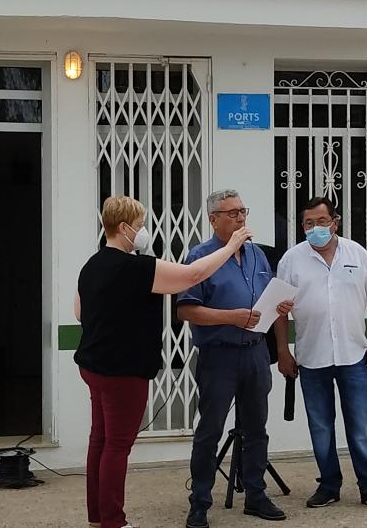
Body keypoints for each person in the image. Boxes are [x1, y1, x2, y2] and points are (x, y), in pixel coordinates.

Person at [74, 196, 253, 528]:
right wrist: (233, 246)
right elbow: (192, 275)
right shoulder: (136, 268)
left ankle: (98, 516)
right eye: (140, 226)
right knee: (117, 446)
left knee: (99, 440)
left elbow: (79, 312)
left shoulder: (92, 264)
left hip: (93, 366)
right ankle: (113, 520)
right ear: (124, 228)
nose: (143, 232)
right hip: (122, 371)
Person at [178, 189, 291, 528]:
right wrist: (231, 317)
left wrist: (280, 306)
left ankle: (255, 494)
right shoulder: (199, 256)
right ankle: (199, 502)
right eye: (231, 213)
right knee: (210, 430)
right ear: (213, 220)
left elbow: (266, 299)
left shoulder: (257, 255)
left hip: (255, 353)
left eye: (243, 211)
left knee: (256, 428)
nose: (240, 218)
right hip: (219, 356)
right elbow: (186, 310)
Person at [275, 196, 367, 511]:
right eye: (308, 223)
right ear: (302, 226)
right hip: (311, 358)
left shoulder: (357, 253)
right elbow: (279, 312)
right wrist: (282, 352)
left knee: (361, 425)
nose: (315, 228)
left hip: (354, 354)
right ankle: (329, 484)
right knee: (321, 425)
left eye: (321, 221)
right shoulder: (291, 260)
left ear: (335, 222)